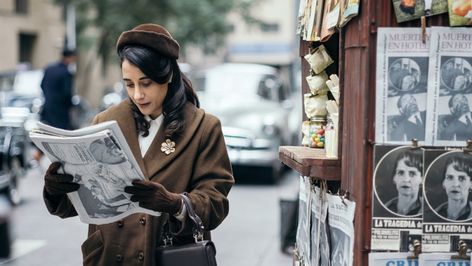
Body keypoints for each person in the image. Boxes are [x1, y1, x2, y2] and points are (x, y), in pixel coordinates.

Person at [41, 23, 234, 265]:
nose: (137, 95)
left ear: (169, 76)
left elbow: (216, 203)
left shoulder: (204, 127)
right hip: (110, 256)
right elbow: (81, 205)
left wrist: (174, 203)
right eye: (129, 84)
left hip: (169, 256)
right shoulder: (105, 121)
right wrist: (56, 189)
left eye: (146, 83)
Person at [40, 48, 77, 130]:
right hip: (61, 111)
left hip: (47, 108)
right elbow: (67, 93)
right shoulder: (66, 73)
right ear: (70, 58)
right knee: (61, 135)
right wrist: (71, 107)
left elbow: (42, 85)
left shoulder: (49, 69)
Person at [384, 149, 423, 216]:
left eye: (412, 173)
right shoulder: (384, 210)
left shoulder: (427, 213)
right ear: (394, 178)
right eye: (400, 173)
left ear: (422, 179)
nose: (406, 179)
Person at [435, 153, 472, 221]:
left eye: (462, 178)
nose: (455, 184)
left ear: (471, 184)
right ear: (444, 183)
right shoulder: (433, 214)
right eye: (450, 177)